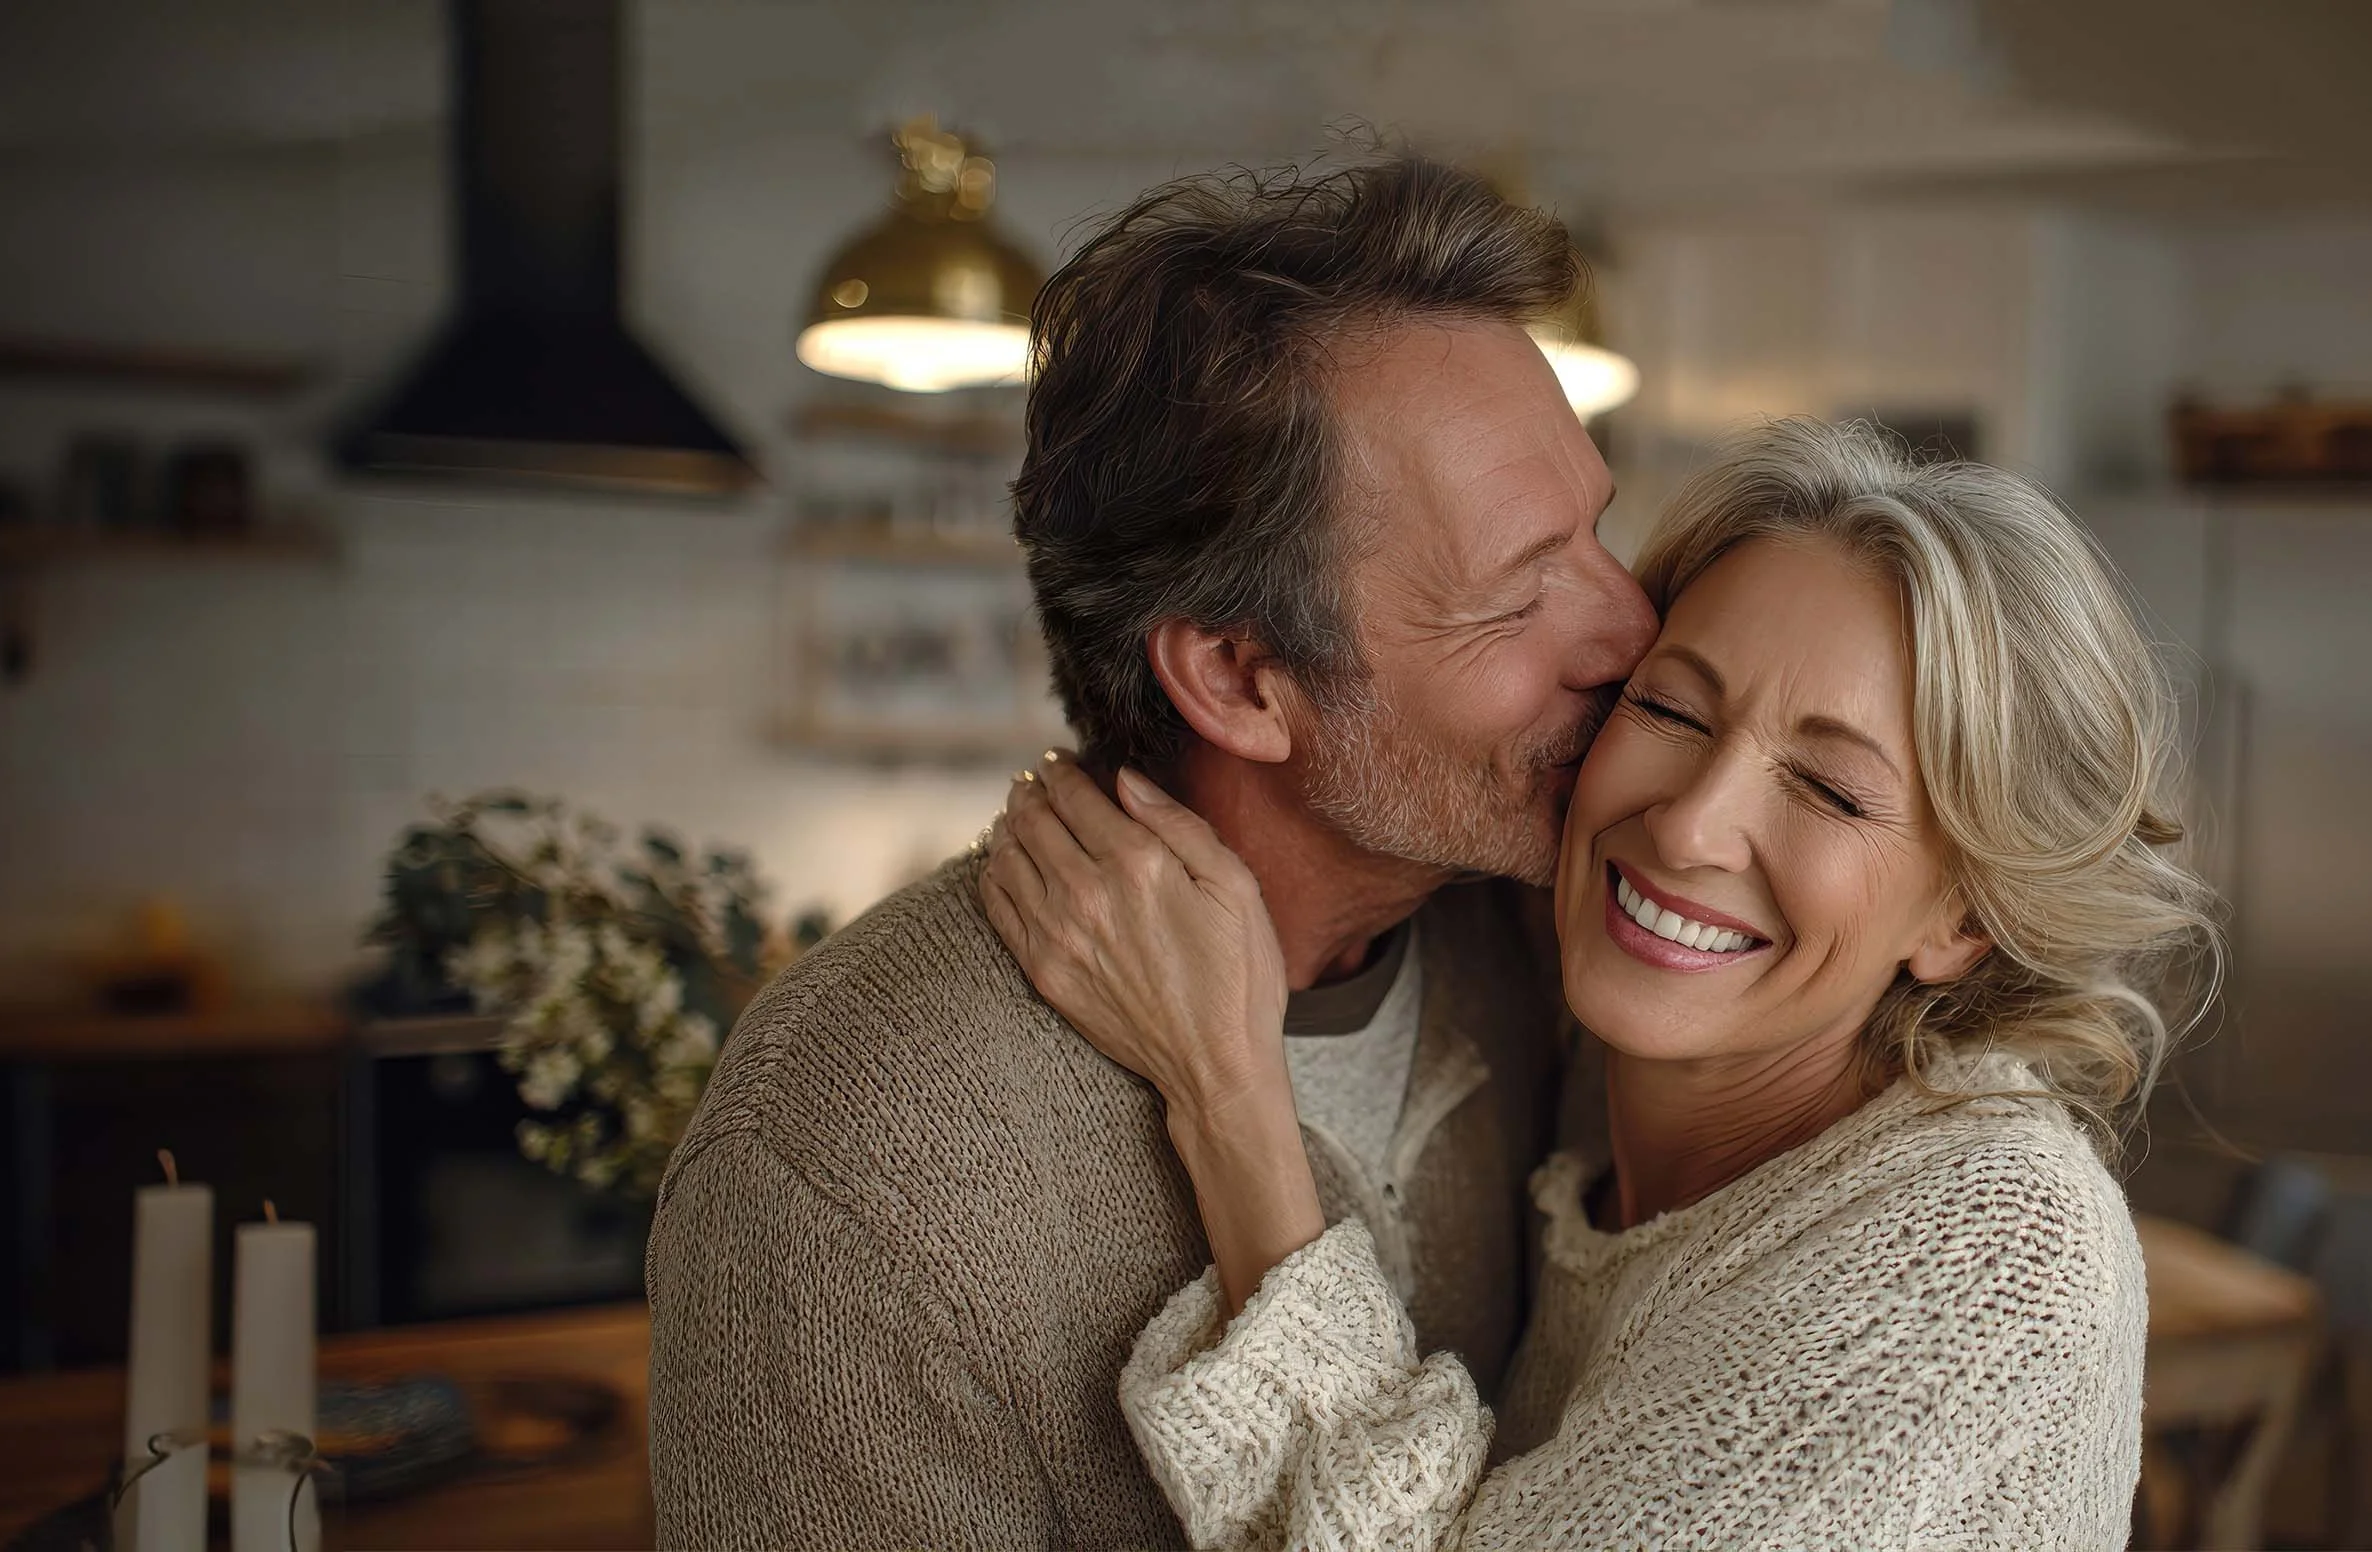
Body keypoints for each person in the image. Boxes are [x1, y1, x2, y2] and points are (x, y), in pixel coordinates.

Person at [644, 156, 1657, 1547]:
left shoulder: (1569, 954)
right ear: (1242, 678)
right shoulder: (855, 1149)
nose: (1632, 635)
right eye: (1517, 593)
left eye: (1597, 533)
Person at [982, 417, 2221, 1549]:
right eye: (1673, 710)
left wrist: (1228, 1098)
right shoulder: (1600, 1134)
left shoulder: (1989, 1242)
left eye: (1833, 790)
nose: (1690, 826)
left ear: (1962, 920)